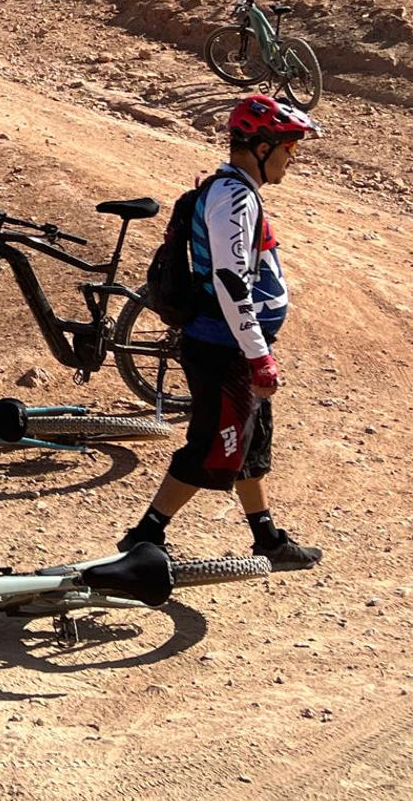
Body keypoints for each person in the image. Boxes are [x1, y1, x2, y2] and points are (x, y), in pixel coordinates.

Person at [118, 94, 323, 571]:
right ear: (261, 147)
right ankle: (145, 534)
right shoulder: (233, 199)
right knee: (213, 445)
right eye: (289, 148)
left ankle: (267, 539)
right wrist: (258, 355)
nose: (292, 159)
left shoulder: (236, 192)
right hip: (223, 347)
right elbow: (231, 282)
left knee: (250, 442)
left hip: (233, 344)